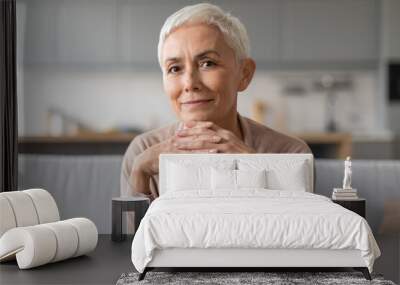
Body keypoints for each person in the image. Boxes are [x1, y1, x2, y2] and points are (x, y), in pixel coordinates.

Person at [121, 3, 311, 201]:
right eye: (175, 68)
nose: (189, 84)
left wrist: (253, 166)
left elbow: (299, 231)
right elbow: (131, 233)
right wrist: (139, 175)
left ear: (244, 74)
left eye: (207, 63)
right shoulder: (142, 152)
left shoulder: (291, 155)